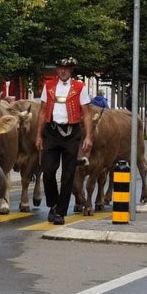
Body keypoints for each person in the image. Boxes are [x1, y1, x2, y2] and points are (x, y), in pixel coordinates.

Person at [35, 57, 93, 225]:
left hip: (72, 133)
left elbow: (87, 114)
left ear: (71, 70)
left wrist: (88, 136)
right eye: (60, 68)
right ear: (56, 69)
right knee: (48, 171)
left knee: (68, 175)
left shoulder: (80, 87)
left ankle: (60, 212)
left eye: (66, 69)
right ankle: (53, 204)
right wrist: (38, 135)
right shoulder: (49, 86)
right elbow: (42, 111)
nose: (63, 71)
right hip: (51, 132)